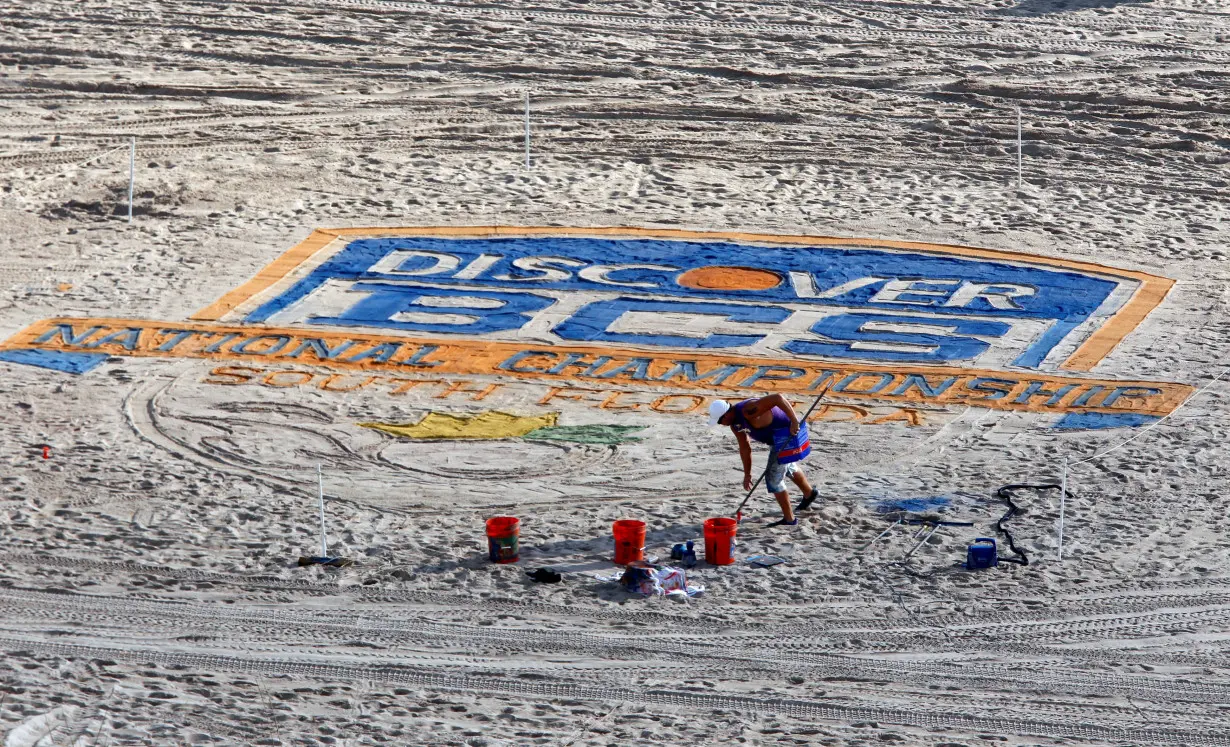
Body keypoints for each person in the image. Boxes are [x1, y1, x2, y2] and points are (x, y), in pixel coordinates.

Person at [709, 395, 820, 526]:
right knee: (788, 466)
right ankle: (809, 493)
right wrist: (747, 474)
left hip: (786, 435)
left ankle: (789, 519)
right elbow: (745, 448)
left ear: (726, 415)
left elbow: (778, 398)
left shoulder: (748, 410)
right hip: (775, 440)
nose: (720, 424)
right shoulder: (735, 425)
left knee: (773, 478)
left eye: (719, 421)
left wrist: (794, 421)